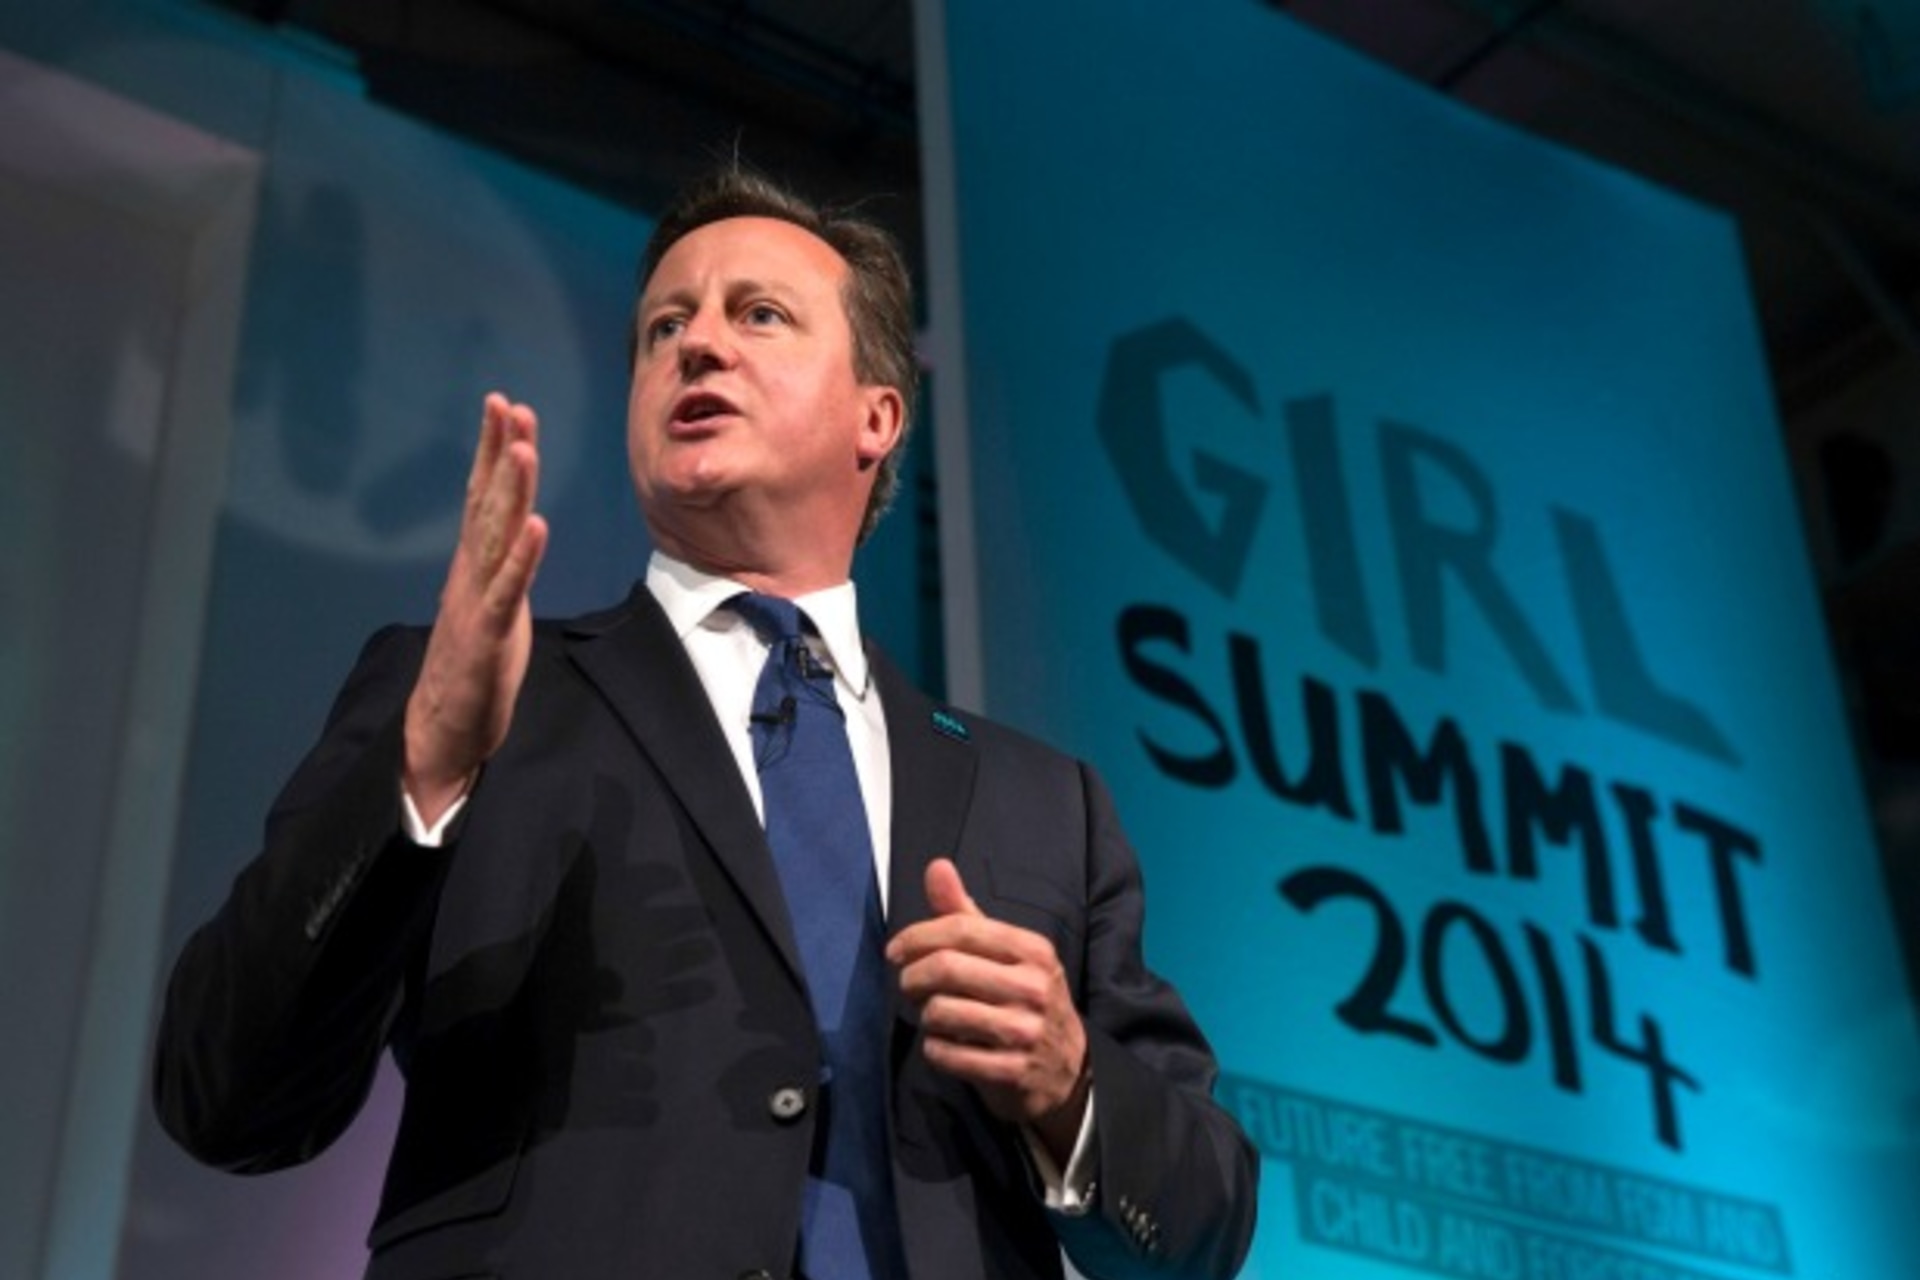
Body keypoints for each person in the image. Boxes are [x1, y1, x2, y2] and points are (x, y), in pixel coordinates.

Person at [154, 166, 1258, 1280]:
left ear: (877, 415)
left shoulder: (1044, 801)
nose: (698, 345)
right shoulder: (474, 694)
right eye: (663, 327)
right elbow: (225, 1096)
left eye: (759, 314)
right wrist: (421, 776)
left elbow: (1204, 1227)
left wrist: (1070, 1085)